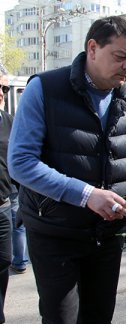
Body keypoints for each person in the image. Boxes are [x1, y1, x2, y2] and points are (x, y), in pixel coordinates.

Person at [7, 16, 126, 323]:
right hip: (56, 233)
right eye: (120, 57)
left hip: (107, 234)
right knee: (61, 318)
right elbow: (21, 163)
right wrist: (87, 194)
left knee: (98, 316)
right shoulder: (46, 89)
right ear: (92, 48)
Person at [0, 72, 13, 324]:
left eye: (4, 88)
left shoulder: (9, 121)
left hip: (4, 205)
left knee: (3, 261)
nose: (1, 93)